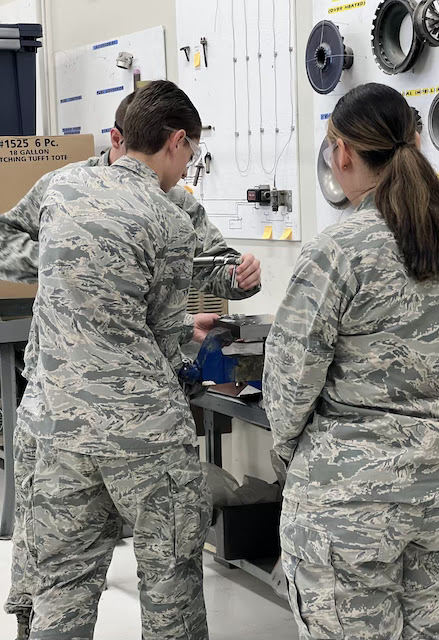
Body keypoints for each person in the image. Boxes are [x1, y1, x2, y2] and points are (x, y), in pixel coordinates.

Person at [1, 90, 261, 640]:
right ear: (175, 142)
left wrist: (68, 270)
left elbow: (208, 270)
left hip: (58, 425)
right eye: (190, 153)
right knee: (170, 583)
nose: (189, 164)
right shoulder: (167, 218)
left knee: (62, 582)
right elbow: (168, 334)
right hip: (141, 430)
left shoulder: (61, 187)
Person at [263, 83, 439, 640]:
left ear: (341, 154)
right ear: (416, 142)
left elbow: (289, 384)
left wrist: (291, 458)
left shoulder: (337, 252)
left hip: (349, 501)